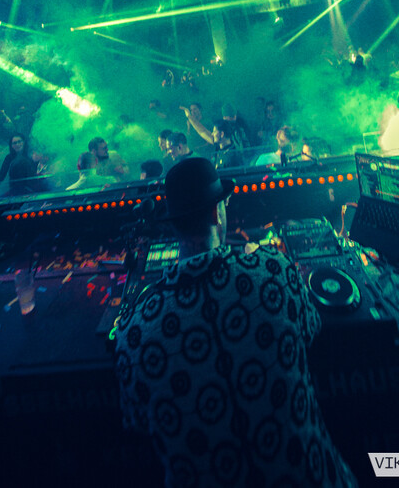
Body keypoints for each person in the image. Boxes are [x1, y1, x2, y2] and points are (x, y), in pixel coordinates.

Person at [114, 157, 358, 488]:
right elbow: (311, 329)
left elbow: (138, 422)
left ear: (173, 225)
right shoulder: (275, 271)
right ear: (217, 213)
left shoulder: (134, 330)